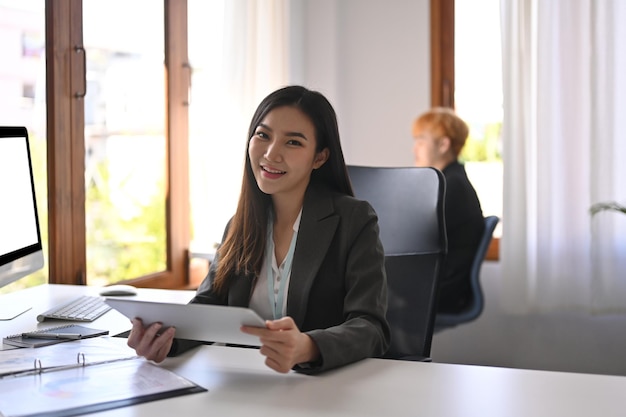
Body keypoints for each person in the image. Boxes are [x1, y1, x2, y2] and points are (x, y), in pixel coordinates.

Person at [128, 85, 391, 374]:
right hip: (246, 383)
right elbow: (210, 303)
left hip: (321, 389)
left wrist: (309, 346)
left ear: (319, 158)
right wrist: (166, 339)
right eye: (263, 135)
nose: (271, 153)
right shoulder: (239, 224)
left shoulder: (354, 220)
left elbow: (370, 327)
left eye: (293, 143)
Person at [412, 107, 484, 314]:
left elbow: (415, 238)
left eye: (421, 140)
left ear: (443, 144)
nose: (414, 148)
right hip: (439, 286)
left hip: (440, 291)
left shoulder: (451, 187)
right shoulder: (450, 182)